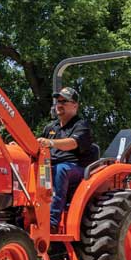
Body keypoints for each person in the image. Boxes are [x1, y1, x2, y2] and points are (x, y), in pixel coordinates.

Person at [38, 87, 93, 233]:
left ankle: (52, 222)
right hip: (50, 166)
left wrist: (51, 143)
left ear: (75, 105)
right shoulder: (51, 127)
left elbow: (73, 143)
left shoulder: (81, 125)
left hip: (77, 168)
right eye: (58, 101)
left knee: (60, 170)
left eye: (64, 101)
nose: (59, 104)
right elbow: (38, 144)